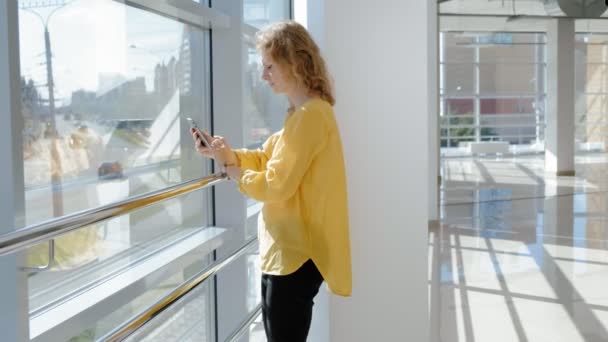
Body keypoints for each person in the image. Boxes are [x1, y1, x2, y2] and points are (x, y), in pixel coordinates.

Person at [192, 20, 351, 342]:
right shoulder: (302, 113)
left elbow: (276, 185)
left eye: (269, 66)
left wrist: (233, 171)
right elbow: (268, 158)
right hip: (288, 250)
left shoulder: (310, 116)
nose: (263, 76)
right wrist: (224, 153)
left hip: (297, 252)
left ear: (293, 62)